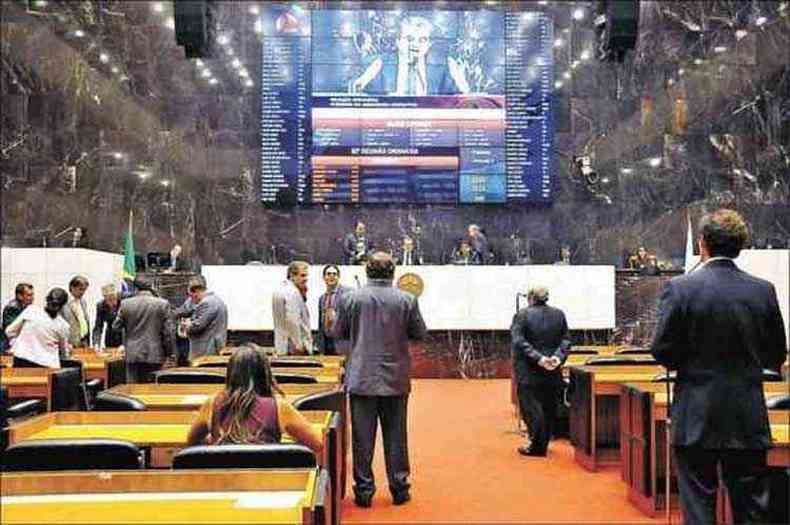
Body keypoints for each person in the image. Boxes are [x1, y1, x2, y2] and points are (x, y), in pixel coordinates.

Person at [650, 209, 787, 525]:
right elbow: (776, 353)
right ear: (739, 246)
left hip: (696, 415)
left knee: (699, 509)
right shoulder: (762, 290)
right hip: (747, 415)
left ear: (702, 244)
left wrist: (687, 359)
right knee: (752, 509)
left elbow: (662, 351)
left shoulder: (680, 288)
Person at [332, 252, 427, 507]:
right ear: (393, 272)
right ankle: (399, 488)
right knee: (396, 435)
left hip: (361, 375)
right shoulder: (407, 299)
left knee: (363, 438)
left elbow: (337, 332)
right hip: (396, 377)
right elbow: (419, 333)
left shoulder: (350, 298)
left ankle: (364, 491)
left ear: (367, 271)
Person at [186, 344, 324, 460]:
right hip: (268, 485)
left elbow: (192, 441)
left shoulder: (213, 403)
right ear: (264, 373)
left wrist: (217, 446)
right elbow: (318, 443)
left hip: (223, 484)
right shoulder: (278, 406)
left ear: (230, 373)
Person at [510, 286, 570, 457]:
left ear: (531, 298)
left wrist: (539, 358)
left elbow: (519, 341)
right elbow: (566, 340)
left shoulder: (522, 315)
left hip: (529, 369)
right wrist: (557, 358)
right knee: (549, 406)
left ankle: (537, 445)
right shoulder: (559, 314)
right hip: (552, 368)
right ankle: (543, 441)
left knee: (531, 407)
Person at [349, 16, 470, 96]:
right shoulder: (378, 63)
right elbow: (358, 95)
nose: (415, 45)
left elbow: (463, 99)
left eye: (422, 40)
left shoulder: (446, 65)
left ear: (429, 44)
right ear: (397, 40)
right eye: (409, 39)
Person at [112, 276, 175, 383]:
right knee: (152, 391)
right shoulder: (162, 304)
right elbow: (168, 333)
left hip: (132, 354)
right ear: (151, 287)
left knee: (132, 390)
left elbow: (115, 327)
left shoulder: (125, 304)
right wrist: (170, 353)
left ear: (135, 287)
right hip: (155, 354)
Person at [5, 287, 71, 368]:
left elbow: (9, 331)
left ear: (46, 299)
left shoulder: (31, 310)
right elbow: (64, 353)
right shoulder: (63, 325)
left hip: (22, 359)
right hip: (47, 365)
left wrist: (19, 343)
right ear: (63, 306)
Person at [175, 276, 228, 360]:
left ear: (196, 291)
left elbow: (197, 327)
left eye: (191, 295)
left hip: (205, 350)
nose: (191, 299)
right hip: (212, 347)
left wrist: (186, 325)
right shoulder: (215, 300)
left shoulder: (207, 303)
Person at [272, 261, 313, 356]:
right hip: (294, 349)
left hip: (281, 346)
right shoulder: (292, 292)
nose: (306, 279)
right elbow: (292, 320)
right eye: (302, 275)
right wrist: (298, 345)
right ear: (292, 276)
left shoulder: (279, 290)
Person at [317, 265, 352, 356]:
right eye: (328, 274)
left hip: (342, 342)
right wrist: (320, 347)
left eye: (334, 274)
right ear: (324, 277)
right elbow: (320, 325)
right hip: (327, 343)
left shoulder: (348, 294)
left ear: (338, 277)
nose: (331, 276)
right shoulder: (322, 298)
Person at [1, 283, 34, 353]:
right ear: (19, 296)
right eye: (29, 295)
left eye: (32, 295)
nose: (32, 298)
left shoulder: (26, 306)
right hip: (9, 344)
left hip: (17, 342)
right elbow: (11, 330)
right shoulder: (12, 308)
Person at [60, 275, 91, 348]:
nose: (82, 292)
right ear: (72, 287)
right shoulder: (63, 302)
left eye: (84, 290)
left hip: (84, 341)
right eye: (80, 289)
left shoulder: (83, 302)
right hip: (70, 343)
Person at [92, 284, 123, 350]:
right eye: (109, 300)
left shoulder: (125, 300)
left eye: (114, 298)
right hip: (110, 337)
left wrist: (125, 344)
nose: (113, 303)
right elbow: (98, 327)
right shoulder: (101, 306)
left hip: (124, 335)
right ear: (105, 298)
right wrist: (96, 343)